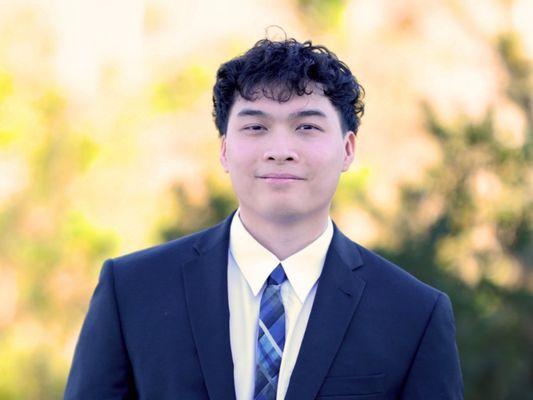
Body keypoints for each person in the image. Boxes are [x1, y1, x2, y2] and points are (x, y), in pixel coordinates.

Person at [64, 38, 463, 400]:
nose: (280, 150)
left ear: (347, 149)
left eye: (307, 127)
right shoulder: (132, 292)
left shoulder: (414, 314)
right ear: (224, 149)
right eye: (256, 127)